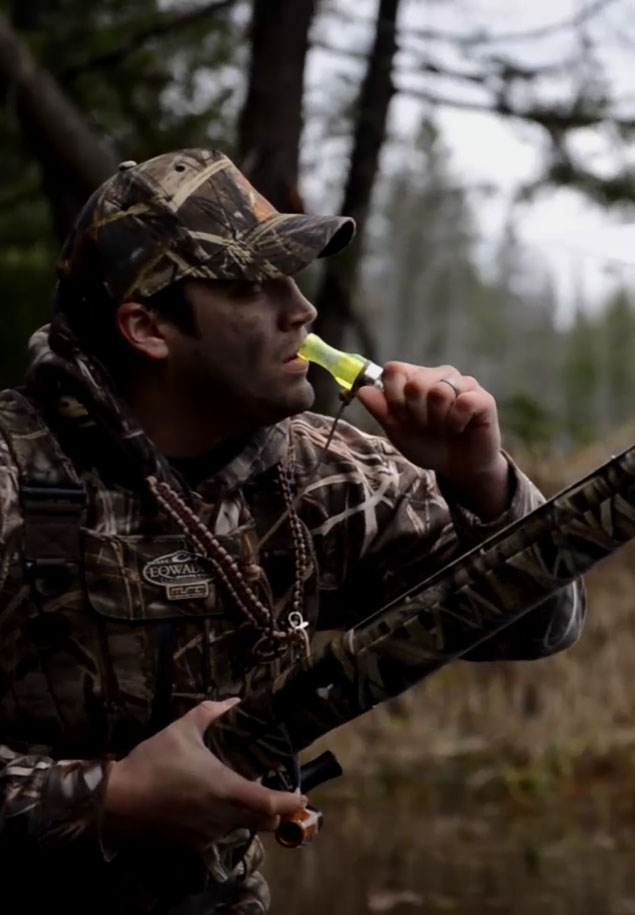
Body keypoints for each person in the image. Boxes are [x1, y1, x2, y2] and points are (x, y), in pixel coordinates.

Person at [0, 149, 587, 912]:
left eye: (292, 277)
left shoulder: (324, 471)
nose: (301, 310)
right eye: (252, 285)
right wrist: (110, 796)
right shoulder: (15, 474)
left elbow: (543, 624)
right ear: (147, 327)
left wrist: (483, 482)